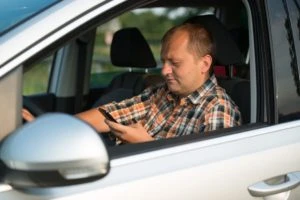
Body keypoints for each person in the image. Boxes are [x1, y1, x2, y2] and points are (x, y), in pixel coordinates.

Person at [23, 22, 241, 144]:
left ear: (204, 64)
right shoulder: (162, 93)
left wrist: (147, 145)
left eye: (174, 63)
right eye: (163, 61)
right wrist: (51, 129)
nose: (164, 70)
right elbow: (112, 113)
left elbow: (207, 180)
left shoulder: (218, 110)